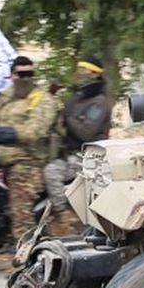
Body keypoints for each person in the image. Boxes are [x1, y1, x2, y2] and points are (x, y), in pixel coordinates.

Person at [0, 56, 59, 267]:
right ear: (11, 75)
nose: (25, 79)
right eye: (21, 74)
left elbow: (35, 131)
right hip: (2, 158)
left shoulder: (42, 99)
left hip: (28, 161)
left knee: (20, 210)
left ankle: (28, 262)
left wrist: (3, 133)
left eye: (30, 74)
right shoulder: (8, 96)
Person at [43, 56, 112, 236]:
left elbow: (86, 132)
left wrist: (68, 117)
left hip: (88, 158)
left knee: (52, 173)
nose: (79, 75)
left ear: (96, 75)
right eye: (79, 70)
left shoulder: (99, 102)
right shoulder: (76, 98)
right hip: (69, 154)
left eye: (85, 71)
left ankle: (67, 220)